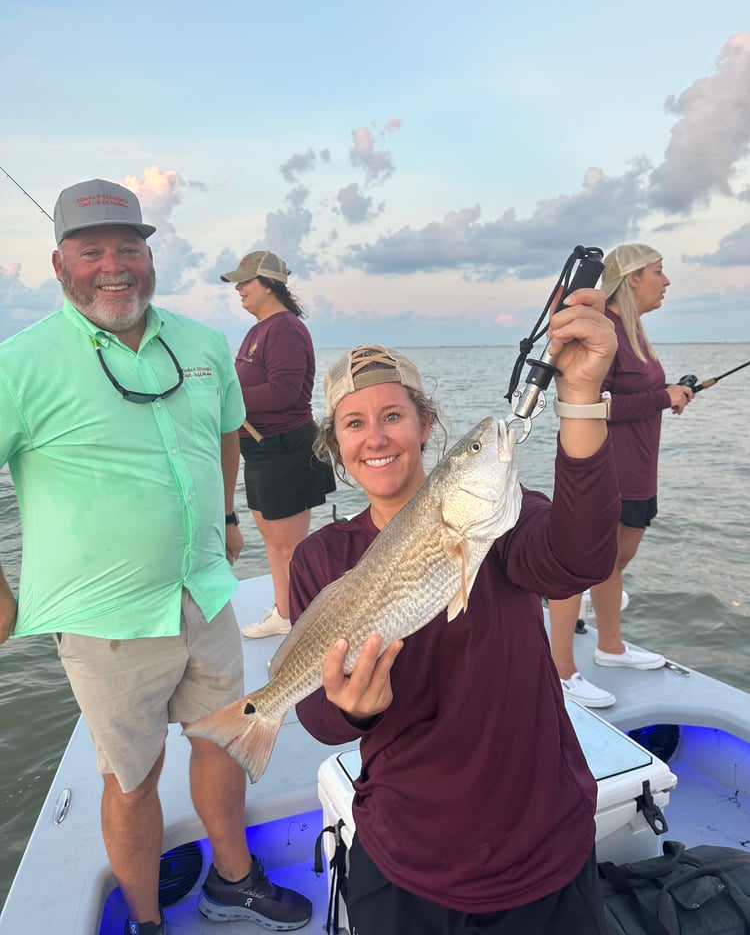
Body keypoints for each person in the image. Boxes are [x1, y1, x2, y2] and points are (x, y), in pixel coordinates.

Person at [0, 181, 312, 935]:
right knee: (132, 783)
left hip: (205, 594)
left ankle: (232, 879)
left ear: (150, 256)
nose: (115, 267)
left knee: (227, 741)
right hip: (105, 624)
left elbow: (230, 428)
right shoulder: (20, 362)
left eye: (130, 248)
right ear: (59, 262)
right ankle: (145, 922)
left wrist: (230, 516)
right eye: (92, 250)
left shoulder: (203, 345)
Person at [287, 286, 621, 935]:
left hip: (541, 842)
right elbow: (322, 721)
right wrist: (353, 706)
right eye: (355, 423)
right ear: (336, 443)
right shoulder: (321, 559)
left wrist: (580, 397)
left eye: (393, 415)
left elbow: (579, 560)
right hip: (404, 849)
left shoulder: (498, 518)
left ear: (425, 427)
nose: (376, 437)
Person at [548, 243, 695, 709]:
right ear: (631, 278)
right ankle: (560, 671)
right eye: (658, 271)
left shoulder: (635, 331)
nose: (665, 281)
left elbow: (640, 395)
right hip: (605, 469)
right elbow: (595, 403)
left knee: (614, 561)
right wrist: (661, 397)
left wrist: (671, 394)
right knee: (578, 565)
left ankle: (610, 647)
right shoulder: (604, 328)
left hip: (639, 471)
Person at [220, 251, 335, 639]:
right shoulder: (259, 329)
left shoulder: (283, 328)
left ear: (269, 284)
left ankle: (299, 619)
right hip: (261, 451)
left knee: (289, 547)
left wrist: (223, 397)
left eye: (245, 281)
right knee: (272, 541)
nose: (238, 289)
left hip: (287, 448)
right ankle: (286, 612)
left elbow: (285, 392)